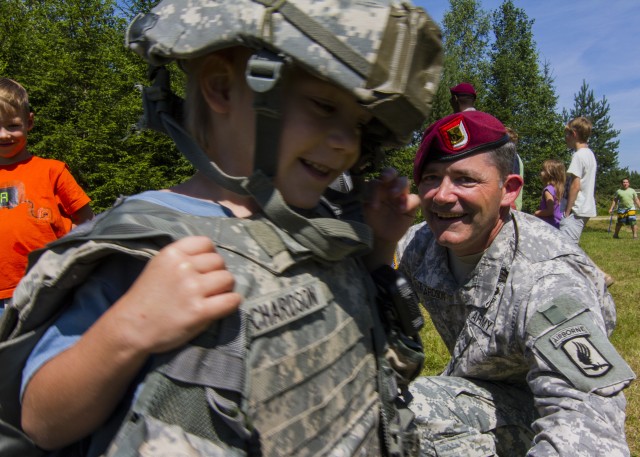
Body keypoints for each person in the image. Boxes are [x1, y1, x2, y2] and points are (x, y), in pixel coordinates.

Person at [3, 1, 443, 456]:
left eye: (358, 123)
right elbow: (40, 418)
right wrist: (129, 328)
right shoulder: (146, 243)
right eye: (322, 105)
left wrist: (377, 246)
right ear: (222, 89)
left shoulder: (324, 229)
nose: (346, 141)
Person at [393, 110, 634, 456]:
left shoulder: (549, 278)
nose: (442, 196)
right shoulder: (422, 244)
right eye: (431, 177)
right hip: (479, 392)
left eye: (465, 180)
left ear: (509, 190)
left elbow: (588, 430)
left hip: (539, 414)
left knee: (410, 417)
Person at [0, 78, 94, 315]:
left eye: (12, 125)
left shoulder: (51, 171)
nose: (3, 135)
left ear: (29, 122)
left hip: (42, 286)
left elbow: (87, 220)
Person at [559, 116, 597, 243]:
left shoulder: (578, 156)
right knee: (571, 246)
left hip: (576, 209)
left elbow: (575, 185)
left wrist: (567, 211)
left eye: (567, 134)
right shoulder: (590, 154)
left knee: (567, 248)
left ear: (574, 134)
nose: (565, 138)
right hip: (584, 208)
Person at [534, 159, 566, 228]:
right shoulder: (562, 189)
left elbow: (550, 211)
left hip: (548, 225)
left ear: (550, 174)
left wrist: (537, 213)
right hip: (559, 223)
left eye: (543, 170)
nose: (541, 173)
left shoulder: (548, 190)